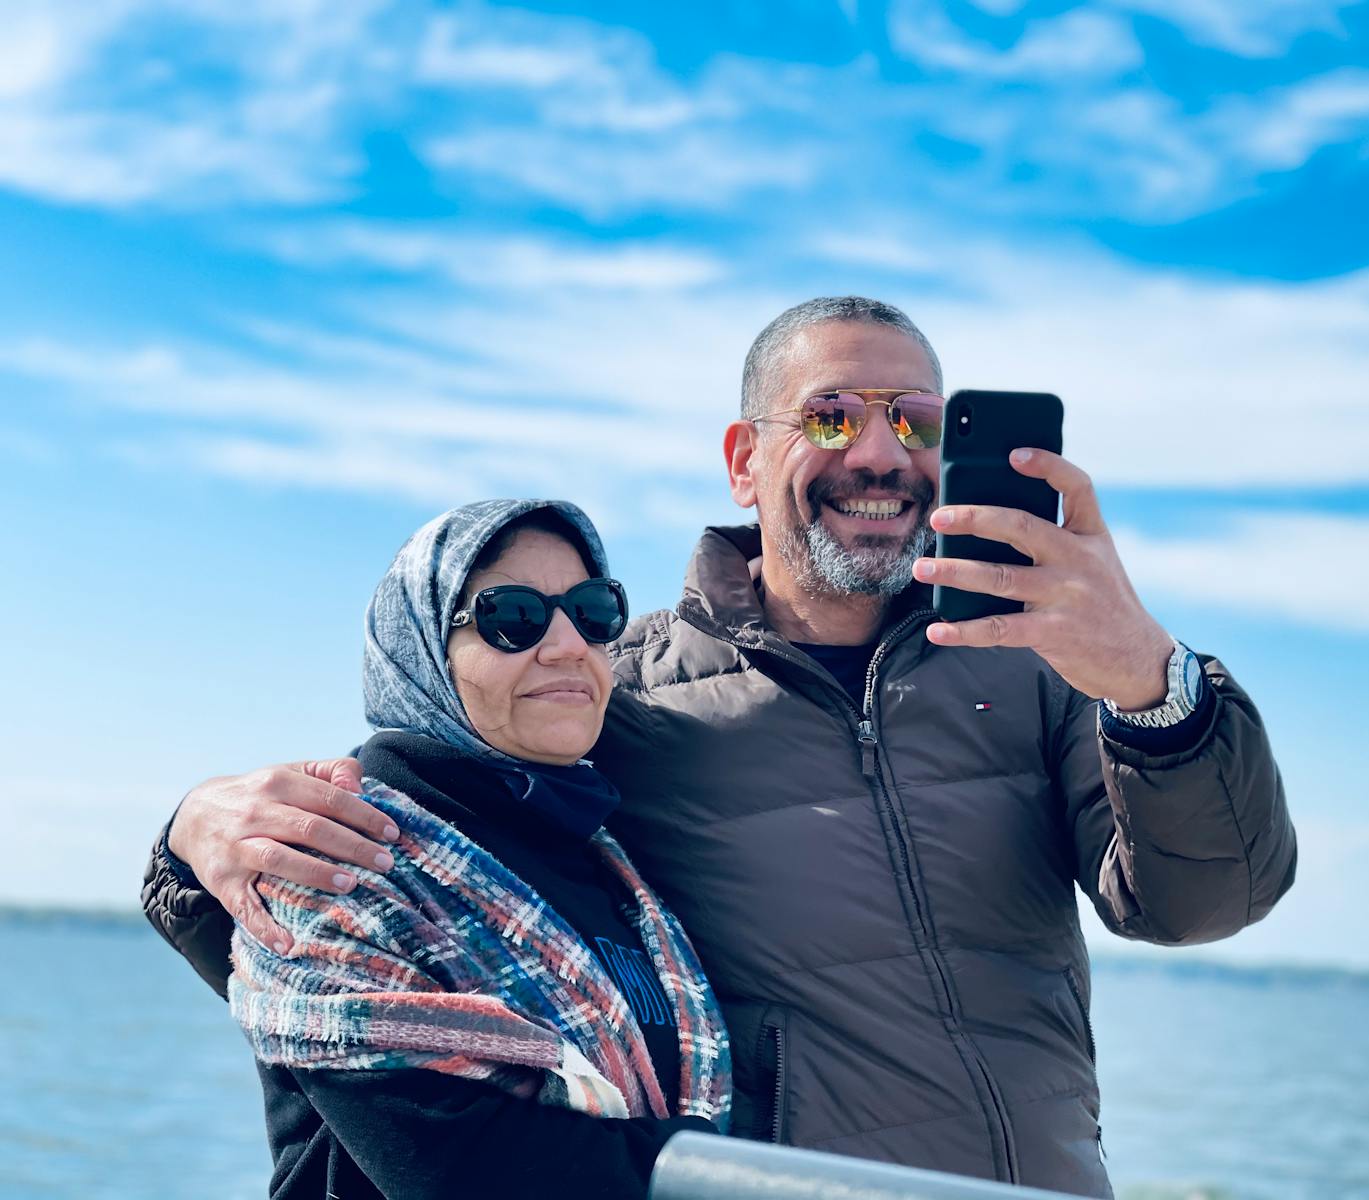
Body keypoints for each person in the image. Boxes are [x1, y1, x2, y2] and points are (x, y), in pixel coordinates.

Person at [143, 296, 1296, 1198]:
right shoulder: (620, 692)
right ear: (745, 459)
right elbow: (424, 842)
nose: (881, 455)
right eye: (834, 416)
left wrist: (1151, 684)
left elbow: (1200, 904)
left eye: (916, 421)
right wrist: (193, 828)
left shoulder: (1047, 668)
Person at [222, 498, 730, 1199]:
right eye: (512, 617)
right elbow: (469, 1171)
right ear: (422, 651)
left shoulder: (612, 858)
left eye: (592, 611)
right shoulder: (340, 858)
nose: (566, 644)